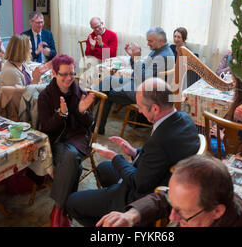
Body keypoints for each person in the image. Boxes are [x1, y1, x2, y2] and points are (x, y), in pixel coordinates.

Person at [66, 77, 200, 227]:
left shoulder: (160, 141)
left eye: (141, 106)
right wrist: (134, 152)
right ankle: (108, 202)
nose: (140, 110)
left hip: (142, 194)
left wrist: (115, 156)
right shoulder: (184, 118)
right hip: (158, 175)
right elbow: (160, 156)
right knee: (103, 168)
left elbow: (138, 183)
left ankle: (111, 219)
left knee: (72, 202)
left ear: (155, 108)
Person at [96, 154, 242, 227]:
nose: (172, 217)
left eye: (184, 213)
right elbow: (164, 198)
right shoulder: (213, 196)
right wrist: (131, 216)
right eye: (174, 206)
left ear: (217, 211)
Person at [37, 54, 96, 227]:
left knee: (70, 157)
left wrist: (82, 111)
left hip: (77, 138)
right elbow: (46, 128)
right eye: (64, 74)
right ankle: (65, 210)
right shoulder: (45, 96)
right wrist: (61, 115)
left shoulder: (80, 92)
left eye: (72, 73)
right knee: (73, 163)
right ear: (54, 74)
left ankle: (57, 210)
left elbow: (89, 124)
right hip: (55, 141)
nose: (69, 78)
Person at [96, 27, 174, 134]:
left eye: (150, 41)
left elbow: (142, 78)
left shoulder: (162, 56)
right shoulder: (158, 51)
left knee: (107, 93)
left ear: (160, 41)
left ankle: (93, 123)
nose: (147, 44)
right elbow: (141, 70)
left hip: (147, 94)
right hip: (138, 84)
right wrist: (133, 57)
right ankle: (88, 105)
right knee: (107, 80)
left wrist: (137, 58)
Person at [0, 35, 49, 120]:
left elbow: (27, 86)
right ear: (21, 51)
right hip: (19, 114)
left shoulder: (22, 63)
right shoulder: (11, 72)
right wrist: (36, 79)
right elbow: (23, 99)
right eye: (29, 49)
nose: (31, 51)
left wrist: (36, 79)